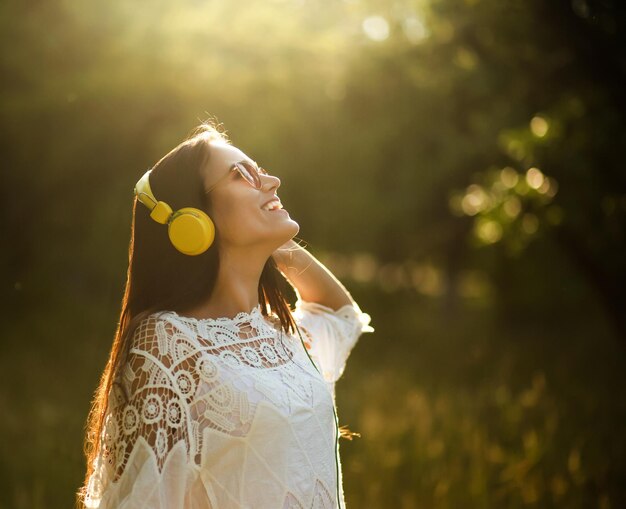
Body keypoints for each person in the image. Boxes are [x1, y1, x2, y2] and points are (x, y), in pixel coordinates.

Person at [77, 120, 374, 509]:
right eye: (241, 175)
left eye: (261, 170)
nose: (272, 182)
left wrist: (271, 238)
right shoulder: (168, 345)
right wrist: (256, 231)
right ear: (192, 221)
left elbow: (338, 314)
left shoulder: (278, 331)